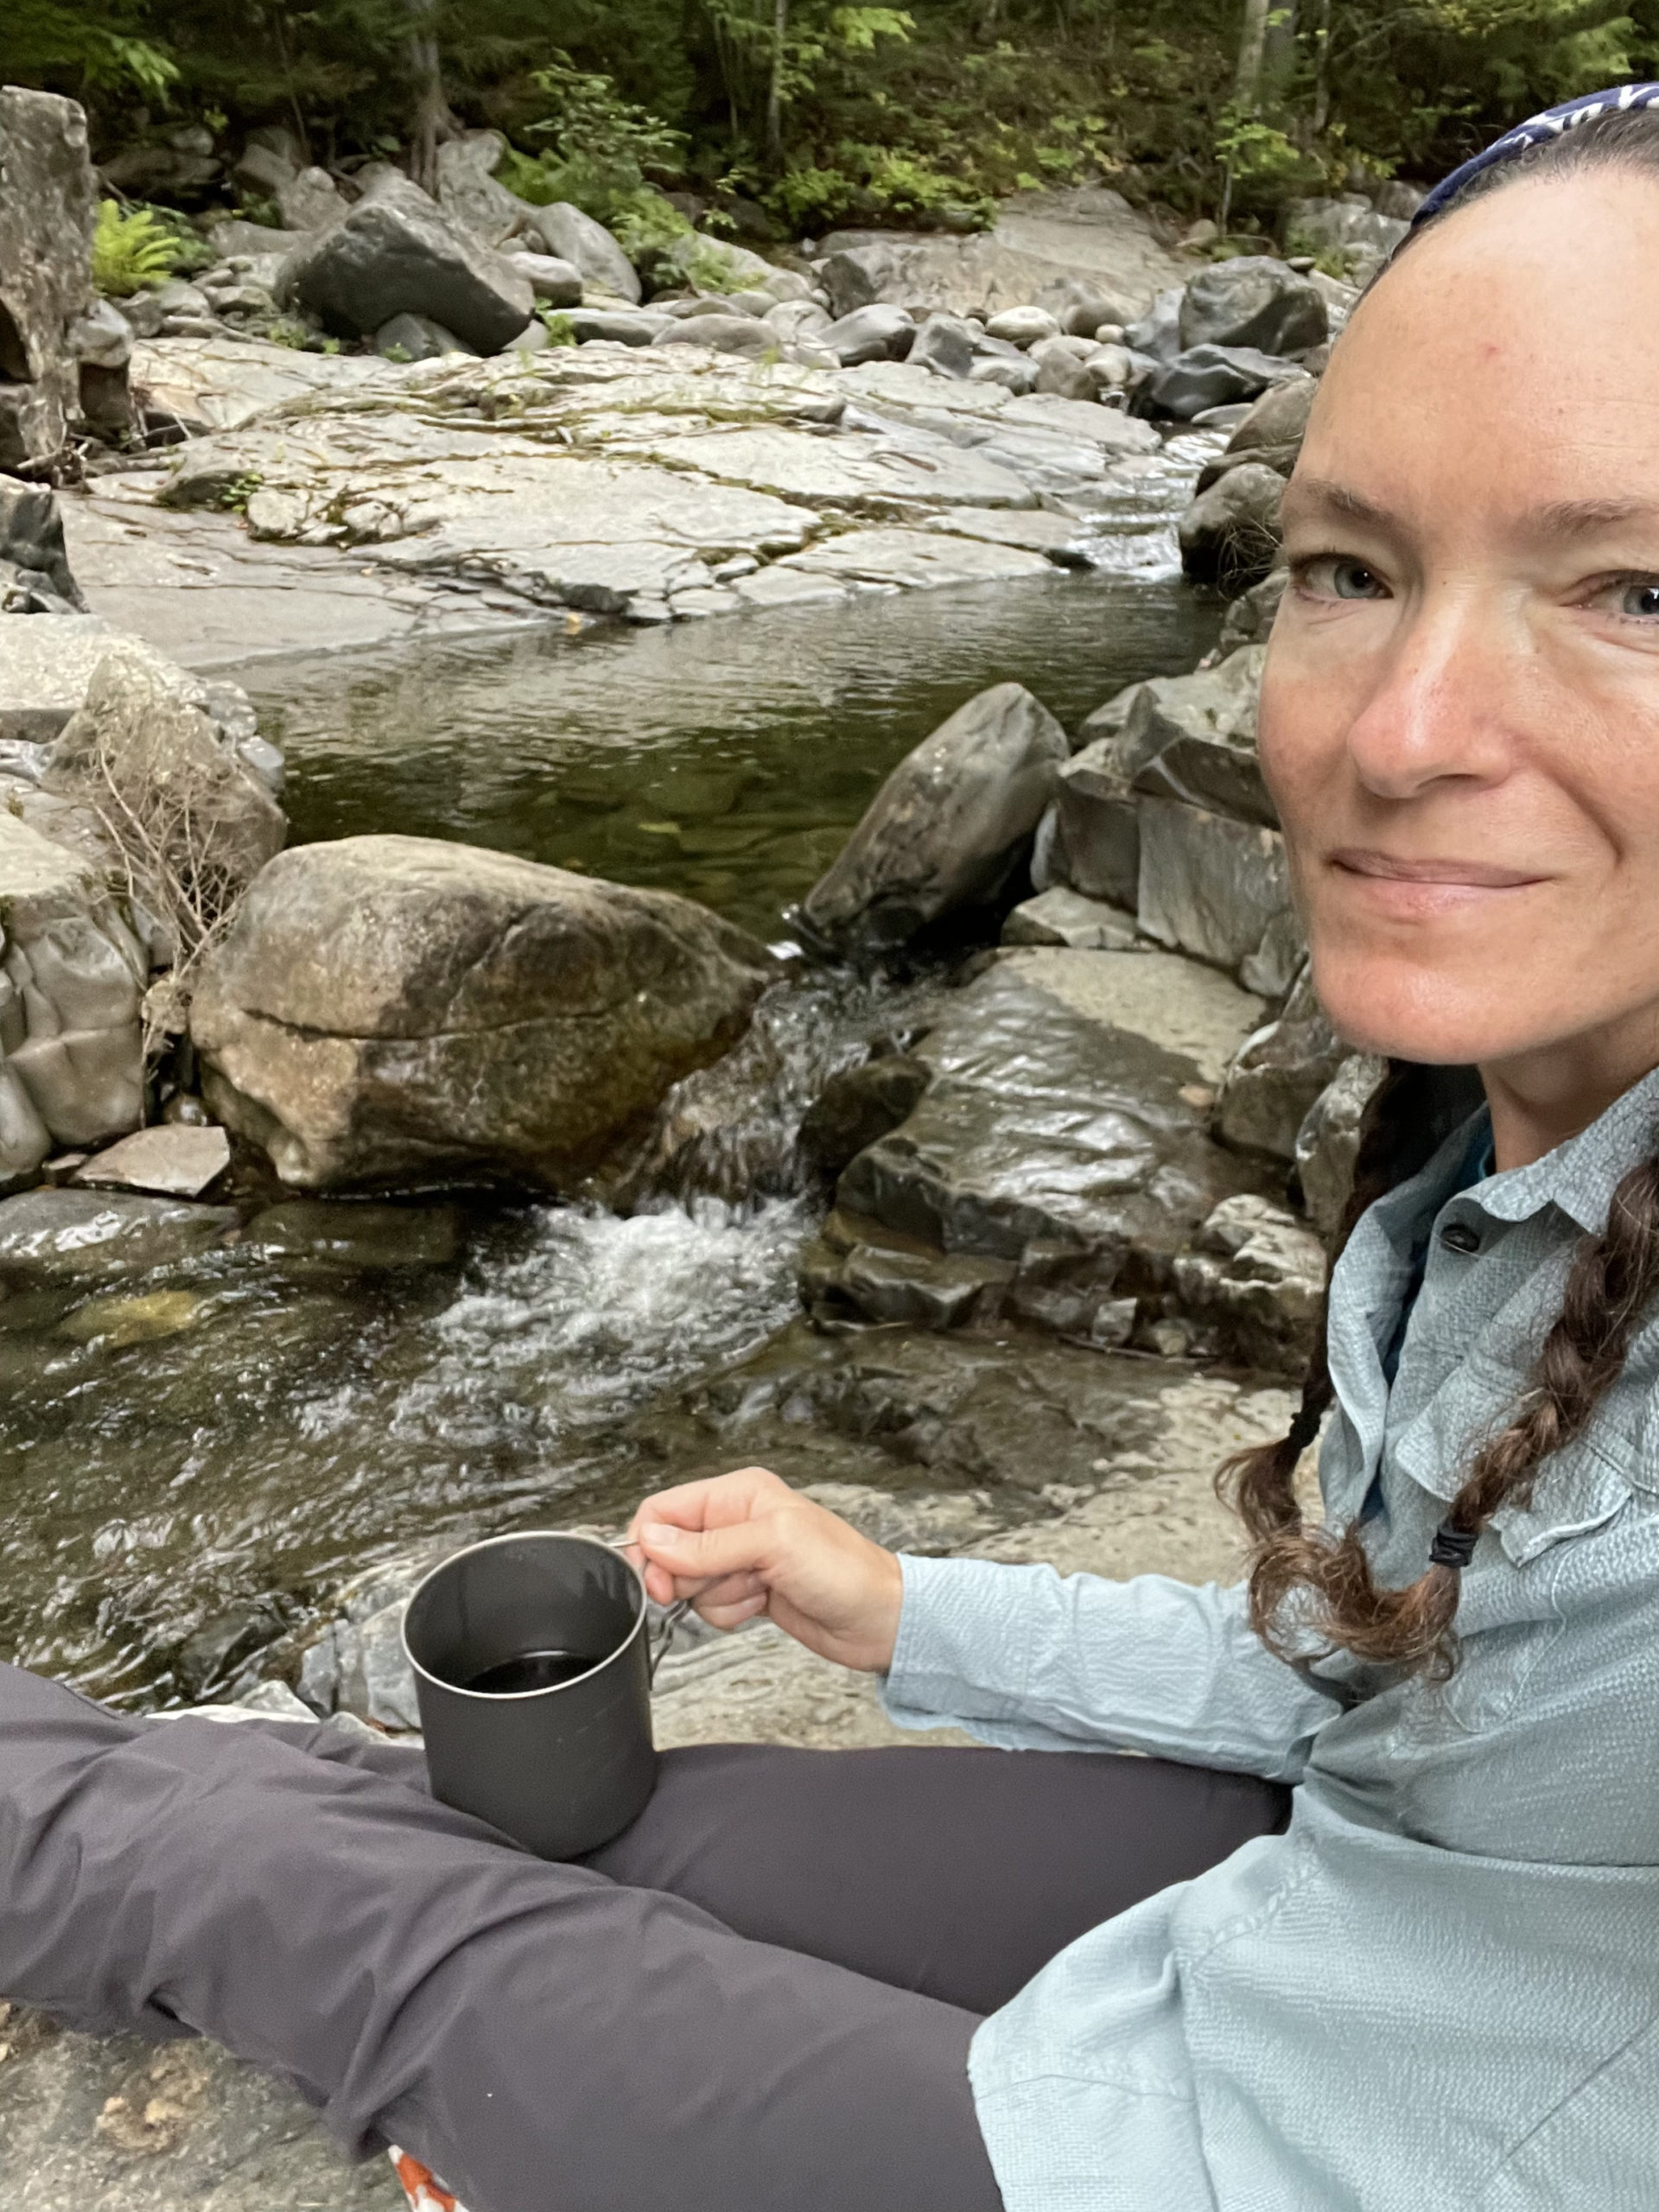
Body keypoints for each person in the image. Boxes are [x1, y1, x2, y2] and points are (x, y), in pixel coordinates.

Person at [6, 84, 1659, 2212]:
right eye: (1349, 565)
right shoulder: (1532, 1162)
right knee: (550, 1826)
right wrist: (901, 1604)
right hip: (1376, 1892)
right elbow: (1392, 1658)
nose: (1405, 728)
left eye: (1633, 586)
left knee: (256, 1861)